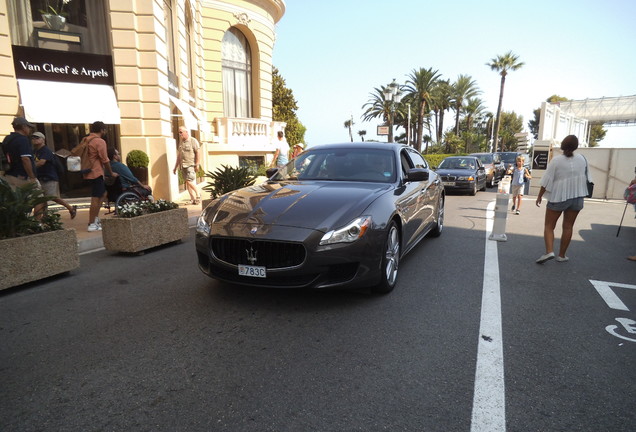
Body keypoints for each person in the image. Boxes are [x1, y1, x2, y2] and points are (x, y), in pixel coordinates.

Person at [535, 135, 590, 264]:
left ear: (563, 145)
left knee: (549, 226)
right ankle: (562, 255)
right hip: (577, 196)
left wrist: (539, 195)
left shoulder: (556, 160)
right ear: (576, 146)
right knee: (568, 226)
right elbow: (588, 177)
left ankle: (549, 251)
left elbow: (546, 180)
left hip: (558, 196)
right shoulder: (582, 159)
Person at [1, 117, 45, 219]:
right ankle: (37, 223)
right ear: (24, 127)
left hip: (9, 174)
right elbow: (25, 159)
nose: (29, 130)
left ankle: (18, 225)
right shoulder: (23, 140)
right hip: (22, 175)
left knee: (16, 201)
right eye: (29, 127)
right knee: (39, 198)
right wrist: (32, 177)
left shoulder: (7, 139)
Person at [32, 132, 77, 219]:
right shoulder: (34, 151)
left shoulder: (46, 150)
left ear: (43, 140)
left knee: (52, 197)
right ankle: (44, 218)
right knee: (42, 199)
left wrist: (30, 167)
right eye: (33, 138)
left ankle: (70, 208)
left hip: (49, 178)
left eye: (37, 138)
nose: (34, 139)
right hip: (40, 177)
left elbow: (42, 162)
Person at [83, 121, 117, 232]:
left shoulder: (86, 139)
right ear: (102, 130)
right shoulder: (99, 141)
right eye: (105, 130)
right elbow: (105, 159)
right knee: (95, 198)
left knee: (103, 194)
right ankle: (92, 223)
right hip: (96, 173)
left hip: (88, 172)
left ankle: (95, 219)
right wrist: (111, 173)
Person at [173, 126, 200, 204]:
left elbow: (198, 152)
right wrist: (175, 167)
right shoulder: (181, 142)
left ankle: (198, 194)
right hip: (183, 165)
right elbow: (179, 156)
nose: (180, 134)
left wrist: (197, 164)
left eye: (181, 132)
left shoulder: (193, 141)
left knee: (189, 181)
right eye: (179, 132)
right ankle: (193, 199)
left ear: (186, 132)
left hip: (190, 164)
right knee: (187, 182)